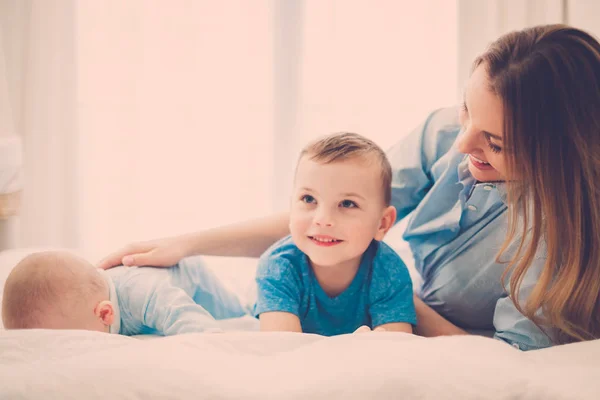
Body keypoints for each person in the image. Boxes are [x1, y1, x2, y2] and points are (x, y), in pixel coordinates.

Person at [98, 24, 600, 350]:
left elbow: (506, 361)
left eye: (494, 141)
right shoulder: (446, 134)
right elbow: (340, 212)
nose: (462, 140)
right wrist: (185, 243)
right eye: (466, 109)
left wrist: (393, 297)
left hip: (428, 329)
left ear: (553, 156)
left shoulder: (563, 239)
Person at [255, 132, 415, 335]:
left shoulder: (389, 271)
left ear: (382, 224)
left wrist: (379, 344)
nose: (322, 219)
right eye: (308, 199)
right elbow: (282, 349)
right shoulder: (278, 267)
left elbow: (399, 347)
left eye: (347, 203)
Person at [2, 251, 247, 335]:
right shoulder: (88, 305)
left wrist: (212, 339)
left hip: (190, 276)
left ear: (105, 314)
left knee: (231, 310)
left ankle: (246, 302)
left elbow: (181, 313)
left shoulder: (142, 294)